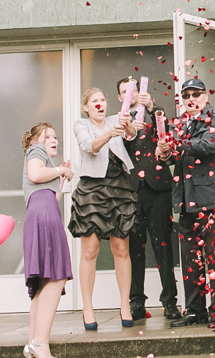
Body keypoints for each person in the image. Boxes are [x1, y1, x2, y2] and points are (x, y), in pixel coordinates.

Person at [156, 78, 215, 329]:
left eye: (196, 94)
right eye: (187, 95)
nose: (191, 99)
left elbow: (206, 146)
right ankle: (194, 311)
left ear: (206, 96)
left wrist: (174, 145)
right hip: (185, 202)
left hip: (213, 201)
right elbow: (173, 161)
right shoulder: (176, 123)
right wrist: (164, 154)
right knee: (190, 261)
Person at [70, 87, 138, 329]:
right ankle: (88, 308)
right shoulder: (81, 124)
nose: (100, 104)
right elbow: (90, 146)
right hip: (91, 189)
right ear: (86, 107)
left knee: (121, 247)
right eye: (94, 101)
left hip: (119, 186)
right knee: (90, 250)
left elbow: (131, 135)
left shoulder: (116, 118)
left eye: (102, 99)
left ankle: (124, 305)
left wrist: (127, 123)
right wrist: (110, 133)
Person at [116, 78, 181, 322]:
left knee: (163, 247)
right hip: (130, 192)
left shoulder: (156, 114)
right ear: (120, 97)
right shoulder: (117, 120)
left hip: (158, 189)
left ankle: (170, 302)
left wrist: (153, 108)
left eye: (131, 90)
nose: (129, 94)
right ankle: (136, 302)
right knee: (134, 250)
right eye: (124, 91)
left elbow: (170, 138)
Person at [22, 123, 73, 358]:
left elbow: (49, 192)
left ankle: (34, 343)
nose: (54, 140)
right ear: (34, 140)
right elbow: (35, 174)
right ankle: (40, 344)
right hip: (44, 213)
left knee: (43, 282)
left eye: (55, 137)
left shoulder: (45, 160)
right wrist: (60, 171)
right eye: (48, 136)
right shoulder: (37, 151)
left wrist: (59, 174)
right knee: (57, 275)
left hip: (41, 210)